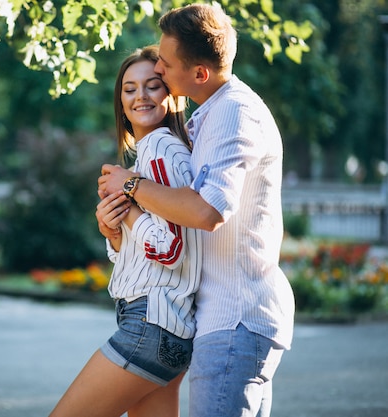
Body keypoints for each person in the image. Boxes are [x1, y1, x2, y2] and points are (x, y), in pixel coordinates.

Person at [98, 4, 295, 417]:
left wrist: (129, 186)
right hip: (219, 320)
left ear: (199, 74)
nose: (161, 73)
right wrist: (118, 229)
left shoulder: (233, 113)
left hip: (234, 317)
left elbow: (206, 212)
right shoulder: (207, 118)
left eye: (165, 67)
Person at [49, 45, 202, 417]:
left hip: (151, 324)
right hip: (166, 329)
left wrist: (131, 210)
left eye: (153, 85)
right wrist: (115, 232)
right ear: (120, 100)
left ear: (172, 95)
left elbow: (171, 251)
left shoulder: (162, 151)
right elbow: (150, 253)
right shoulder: (151, 156)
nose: (141, 96)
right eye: (130, 89)